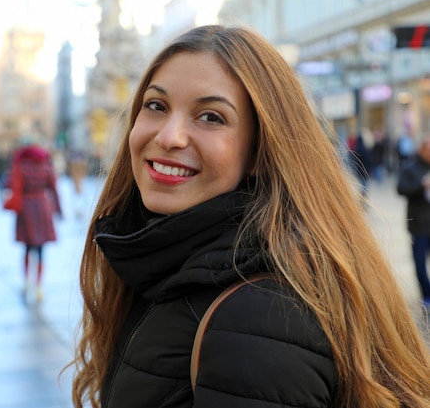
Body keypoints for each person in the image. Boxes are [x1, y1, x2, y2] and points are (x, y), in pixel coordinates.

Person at [68, 25, 430, 408]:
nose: (169, 136)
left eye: (210, 117)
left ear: (260, 152)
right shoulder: (165, 263)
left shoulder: (257, 317)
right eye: (156, 106)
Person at [7, 141, 61, 301]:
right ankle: (38, 286)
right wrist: (59, 210)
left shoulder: (21, 166)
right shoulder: (46, 166)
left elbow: (12, 186)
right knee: (41, 249)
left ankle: (25, 282)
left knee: (27, 247)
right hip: (43, 207)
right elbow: (54, 188)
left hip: (26, 208)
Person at [397, 134, 430, 306]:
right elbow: (401, 189)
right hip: (418, 225)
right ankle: (427, 294)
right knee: (419, 262)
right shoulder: (411, 168)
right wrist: (421, 185)